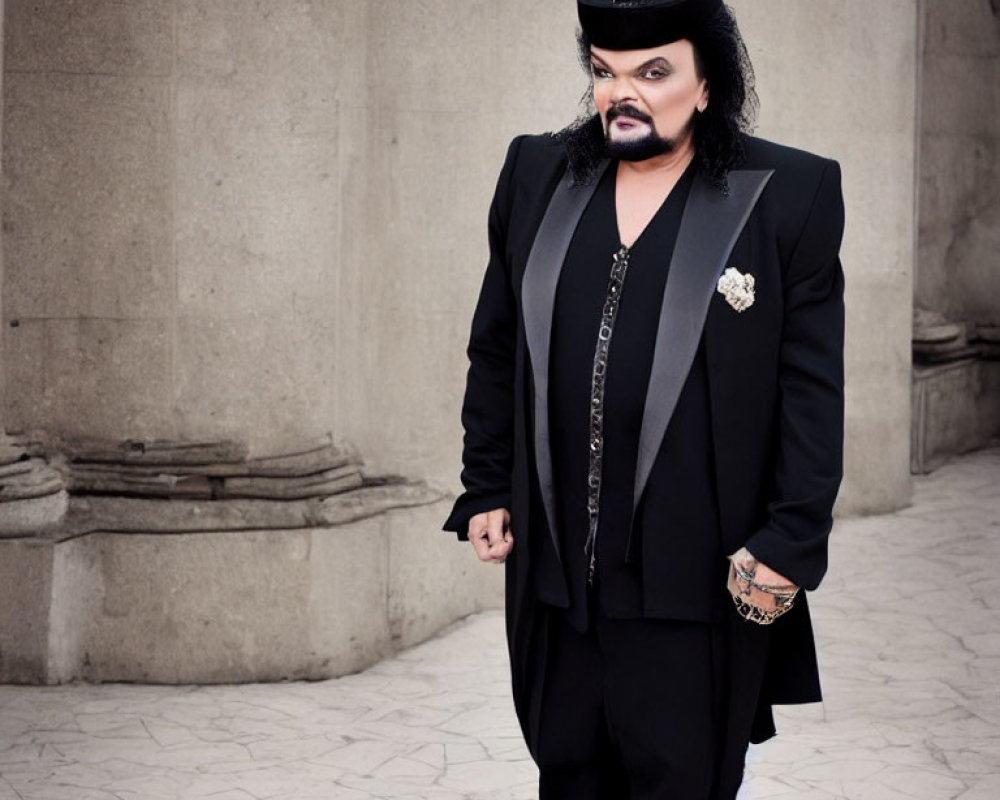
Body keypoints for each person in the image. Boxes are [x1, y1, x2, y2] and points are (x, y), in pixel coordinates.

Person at [443, 1, 845, 797]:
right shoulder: (538, 174)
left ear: (706, 83)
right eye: (604, 71)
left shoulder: (786, 194)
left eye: (652, 72)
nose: (620, 93)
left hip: (693, 581)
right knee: (568, 773)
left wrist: (792, 539)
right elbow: (496, 344)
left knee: (682, 779)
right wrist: (486, 479)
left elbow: (812, 388)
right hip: (558, 579)